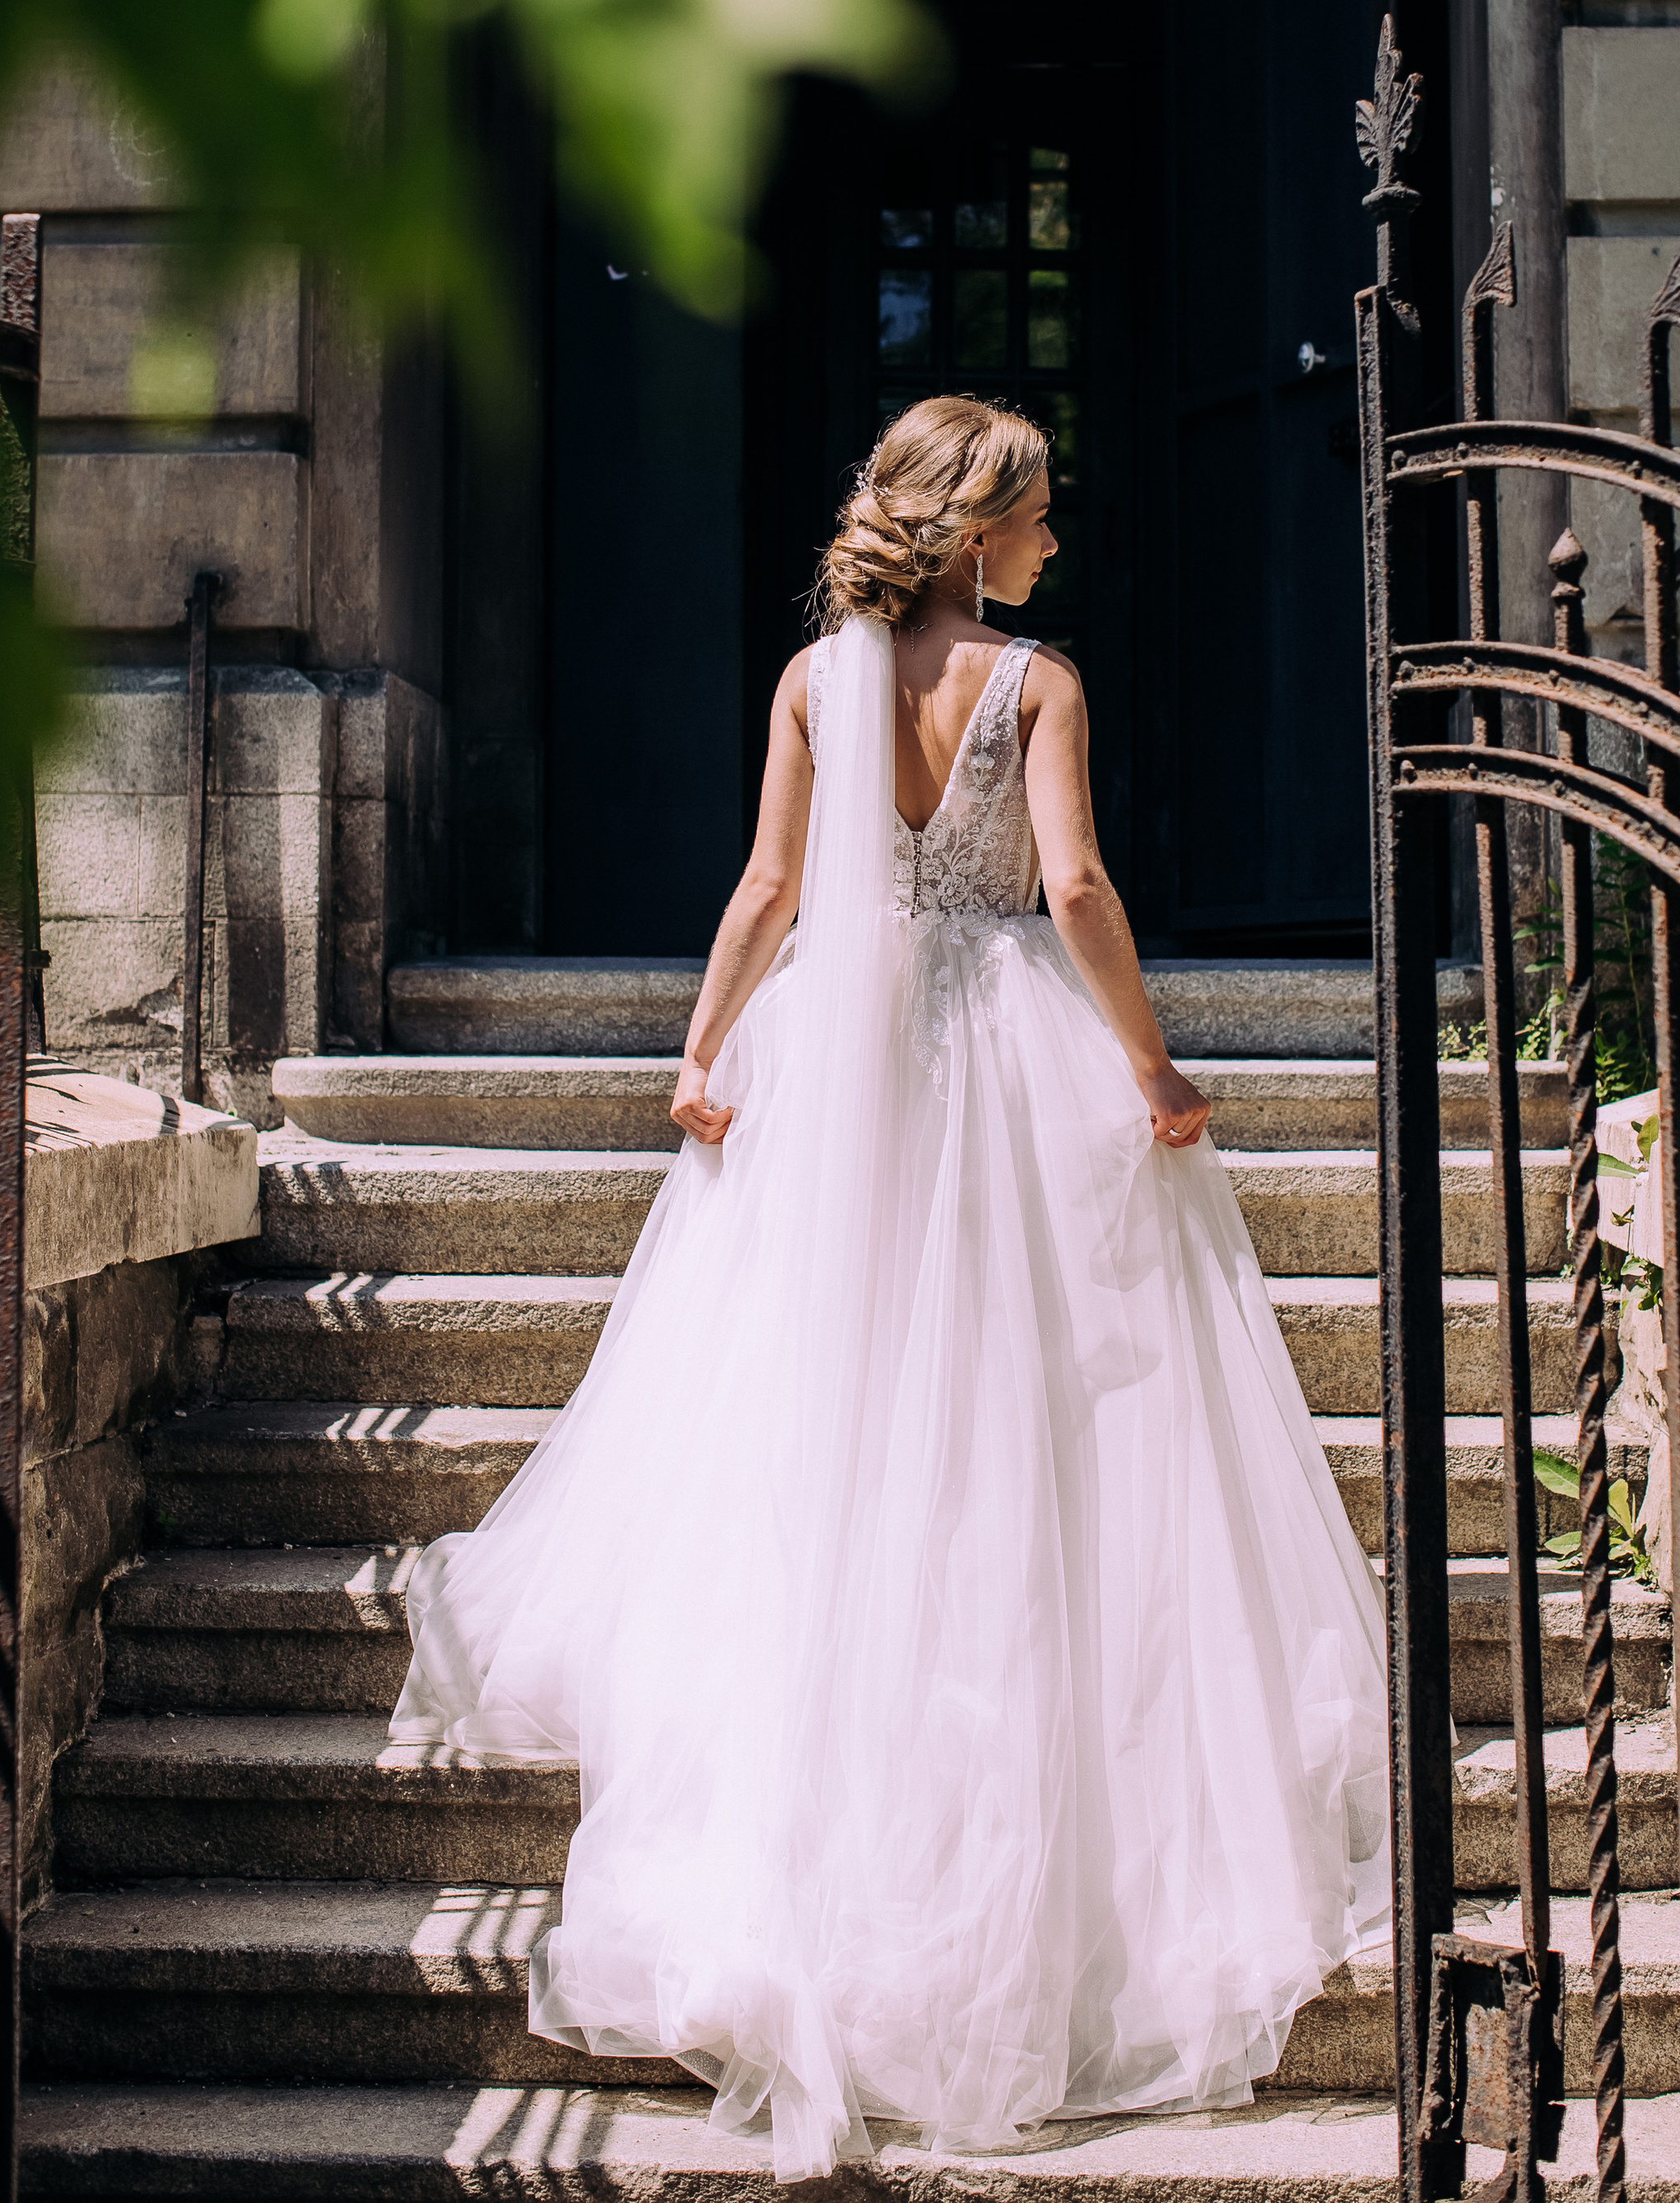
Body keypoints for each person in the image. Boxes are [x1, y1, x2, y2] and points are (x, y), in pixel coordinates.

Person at [390, 393, 1389, 2181]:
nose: (1054, 541)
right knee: (1030, 1431)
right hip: (1008, 1047)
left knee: (831, 1424)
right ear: (975, 528)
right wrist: (1153, 1070)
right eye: (1036, 515)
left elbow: (771, 887)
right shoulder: (1033, 685)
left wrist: (702, 1056)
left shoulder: (812, 685)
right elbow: (1071, 885)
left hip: (838, 1064)